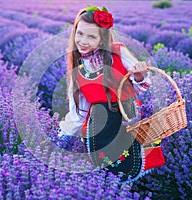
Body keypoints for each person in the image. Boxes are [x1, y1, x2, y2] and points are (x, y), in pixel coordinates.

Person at [50, 6, 165, 184]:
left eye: (91, 36)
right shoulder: (78, 70)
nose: (83, 41)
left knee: (132, 163)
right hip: (101, 128)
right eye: (79, 34)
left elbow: (142, 84)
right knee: (108, 171)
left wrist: (139, 76)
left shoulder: (117, 52)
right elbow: (78, 114)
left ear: (102, 39)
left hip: (128, 119)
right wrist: (60, 139)